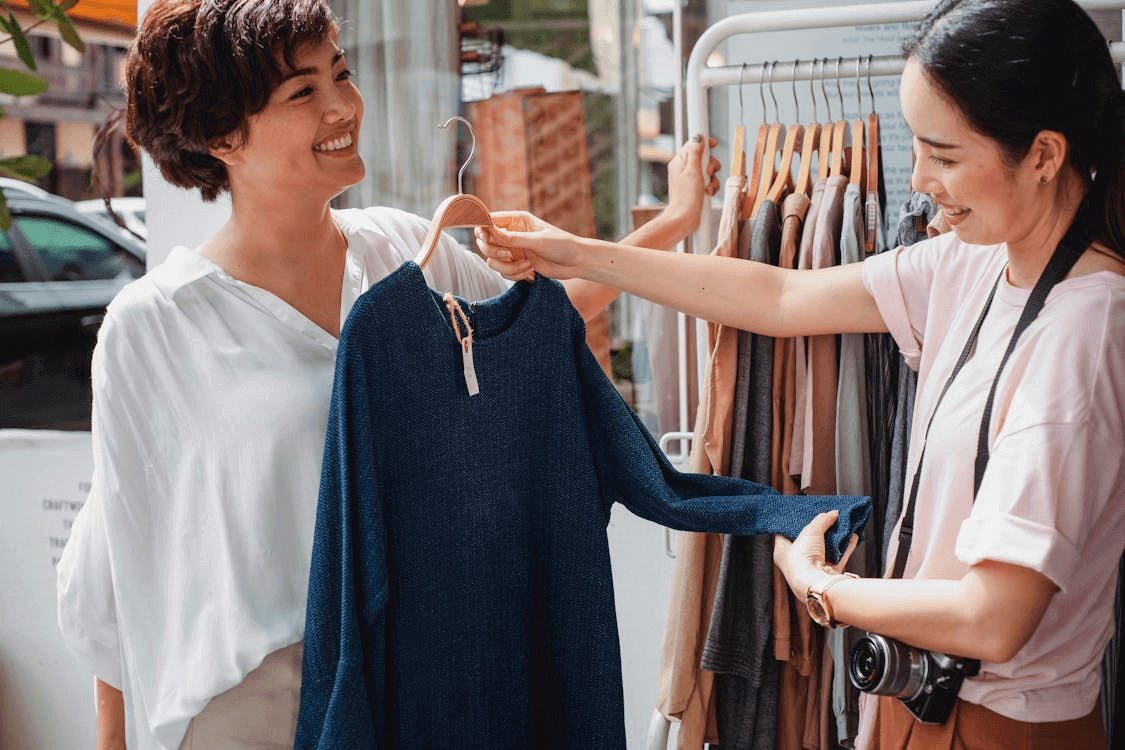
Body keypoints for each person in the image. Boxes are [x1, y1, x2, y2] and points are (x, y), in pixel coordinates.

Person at [55, 1, 720, 748]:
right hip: (258, 705)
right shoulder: (157, 324)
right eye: (302, 92)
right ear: (222, 137)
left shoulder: (403, 251)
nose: (343, 105)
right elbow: (116, 563)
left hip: (418, 673)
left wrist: (671, 221)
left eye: (340, 74)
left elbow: (531, 333)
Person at [477, 0, 1125, 747]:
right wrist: (581, 253)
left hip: (1002, 730)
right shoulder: (975, 262)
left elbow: (993, 617)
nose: (917, 182)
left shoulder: (1082, 331)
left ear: (1043, 155)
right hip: (917, 707)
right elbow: (780, 297)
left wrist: (823, 590)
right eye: (915, 147)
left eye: (943, 156)